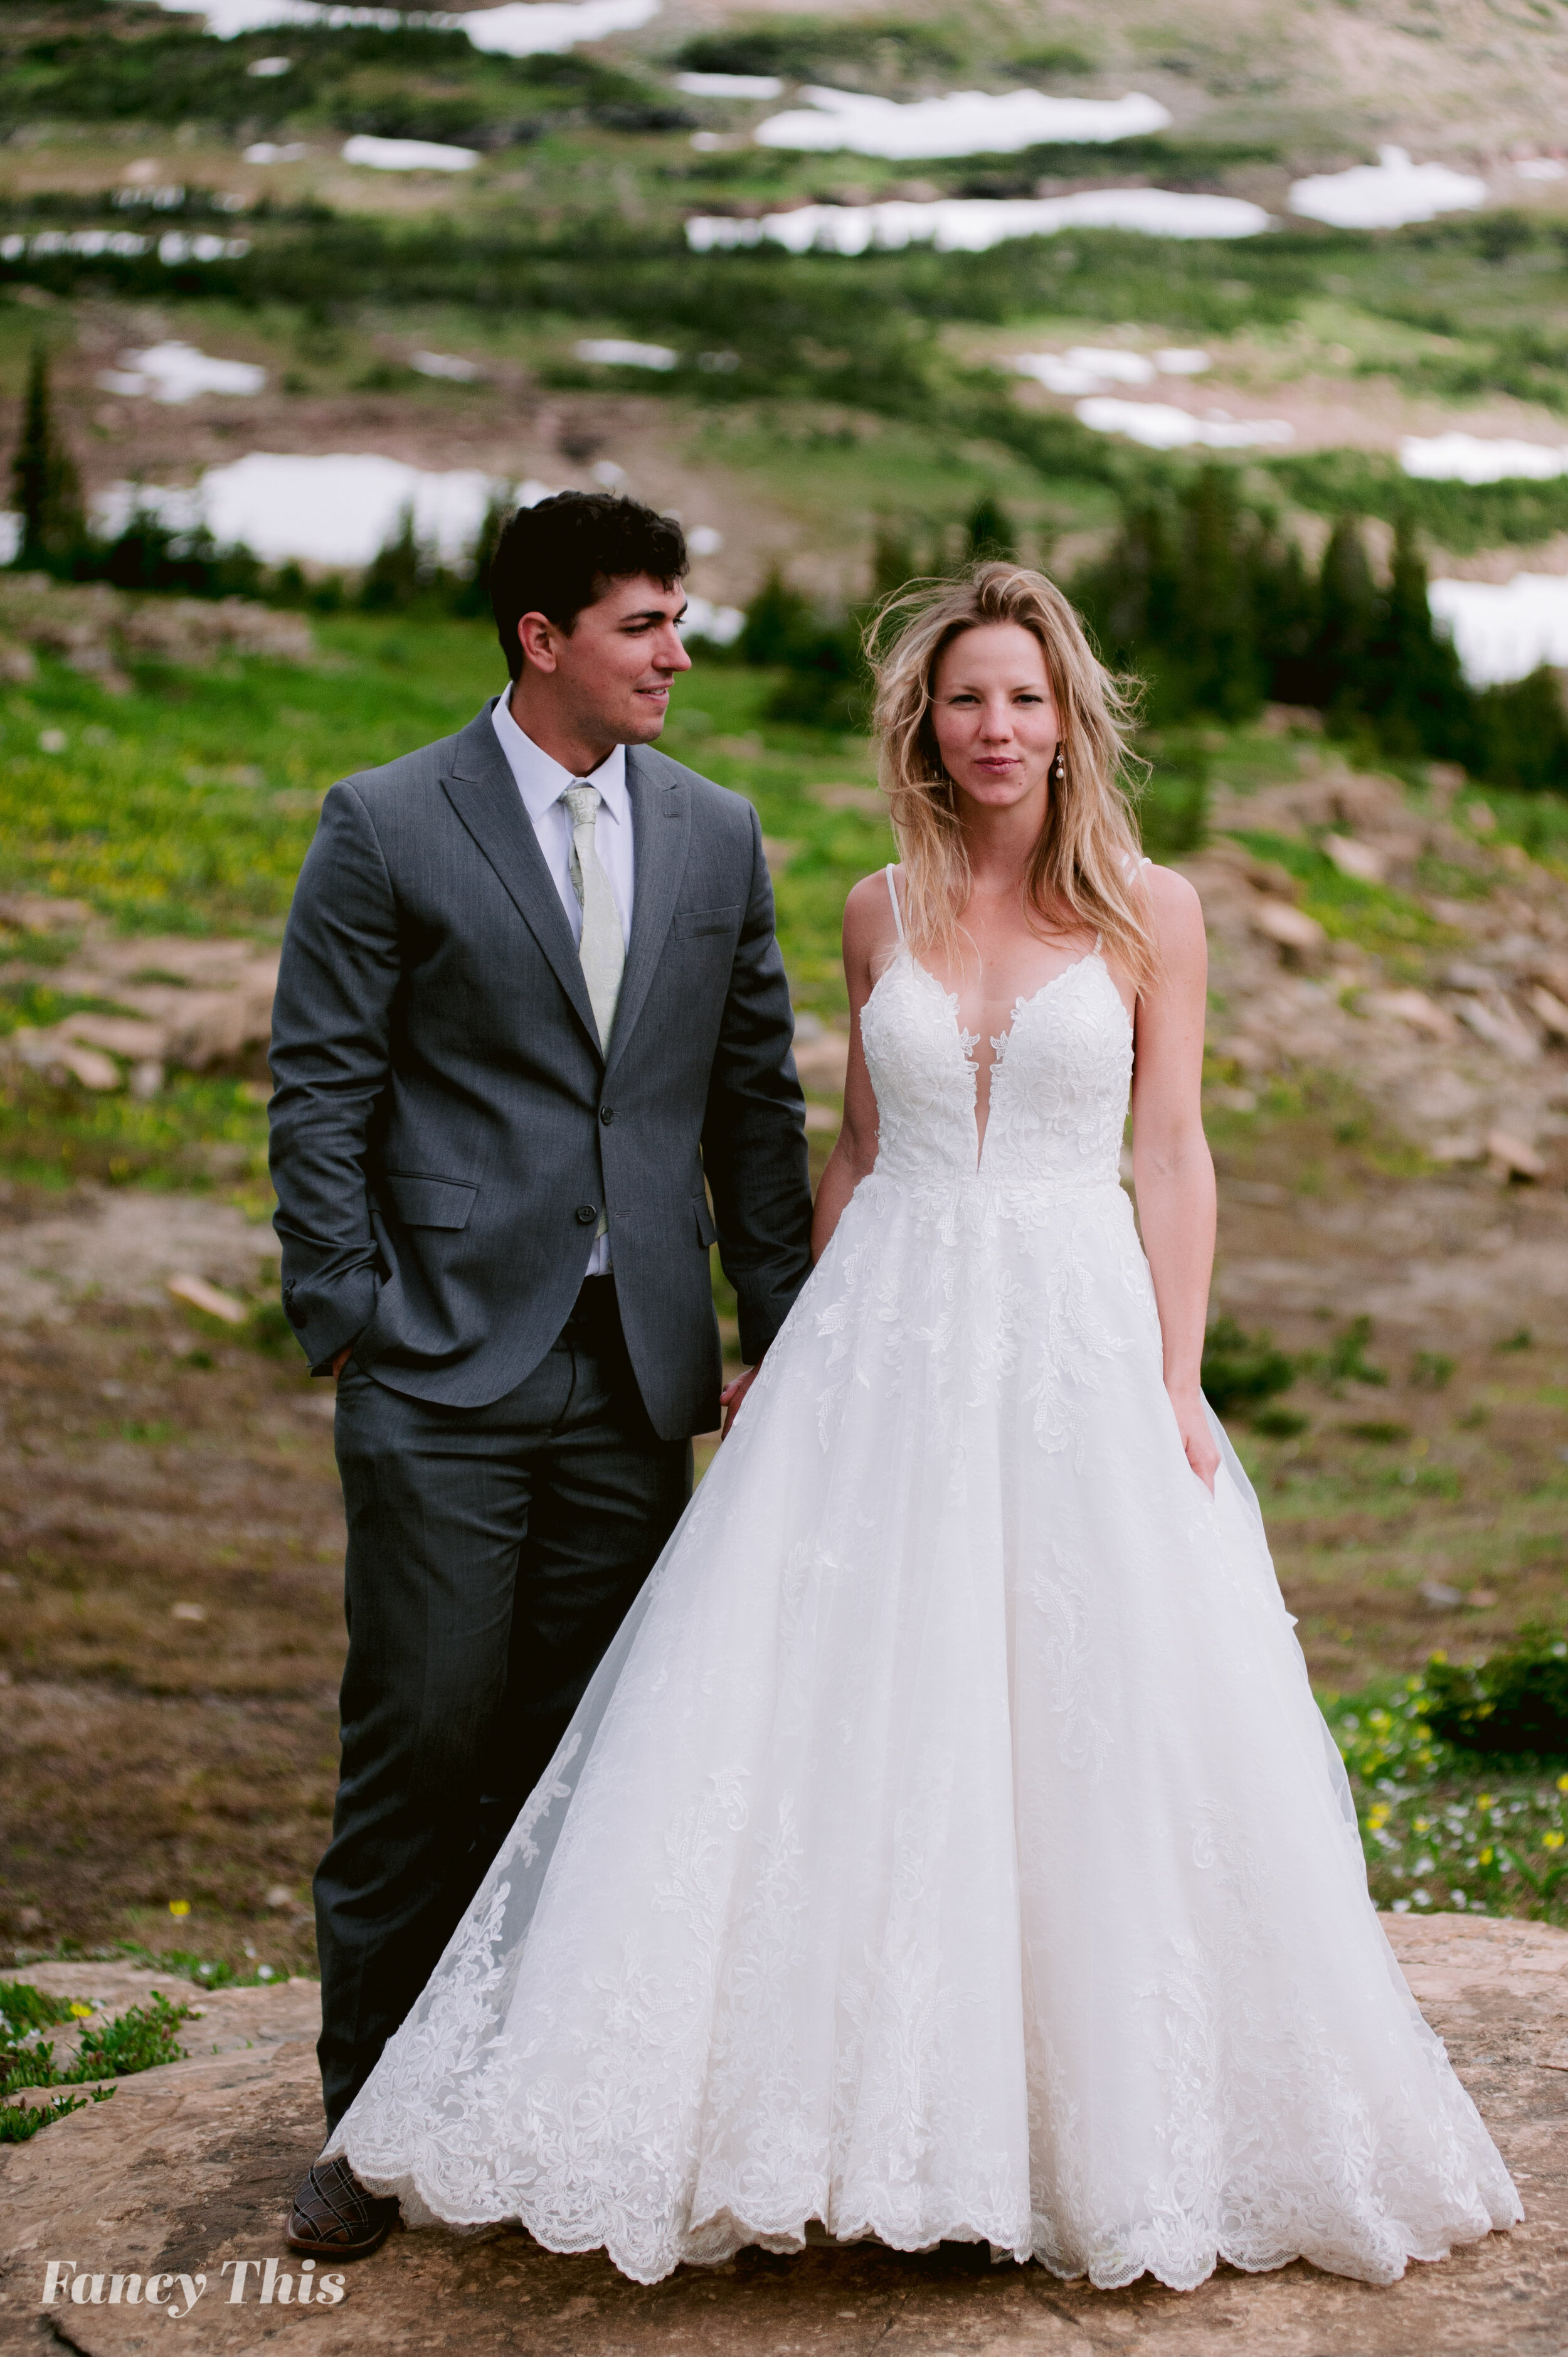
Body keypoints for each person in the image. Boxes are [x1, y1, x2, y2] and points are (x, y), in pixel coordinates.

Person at [317, 561, 1520, 2290]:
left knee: (1071, 1723)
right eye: (967, 697)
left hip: (1070, 1339)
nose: (997, 727)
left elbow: (1168, 1156)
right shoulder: (875, 907)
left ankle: (1045, 2136)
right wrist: (781, 1346)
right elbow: (863, 1146)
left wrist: (1175, 1383)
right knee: (832, 1718)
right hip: (878, 1337)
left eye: (1025, 698)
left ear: (1067, 718)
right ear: (926, 724)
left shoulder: (1146, 910)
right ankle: (817, 2120)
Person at [268, 491, 814, 2259]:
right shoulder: (386, 823)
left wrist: (780, 1331)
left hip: (635, 1374)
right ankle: (364, 2131)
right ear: (541, 639)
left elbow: (753, 1105)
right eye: (647, 622)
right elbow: (321, 1085)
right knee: (422, 1739)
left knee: (586, 1756)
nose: (676, 651)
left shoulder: (718, 833)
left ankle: (516, 2101)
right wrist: (345, 1308)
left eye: (677, 619)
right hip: (435, 1366)